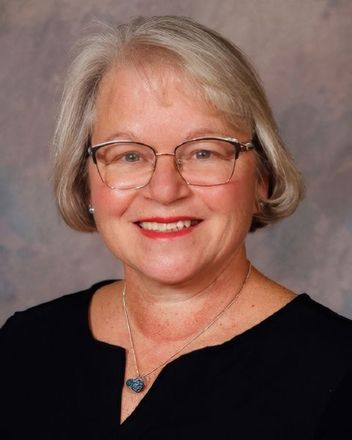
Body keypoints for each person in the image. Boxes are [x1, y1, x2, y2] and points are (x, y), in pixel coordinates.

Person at [1, 15, 351, 439]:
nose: (165, 190)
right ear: (87, 182)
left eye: (204, 152)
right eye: (128, 155)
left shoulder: (337, 370)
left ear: (262, 178)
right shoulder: (24, 346)